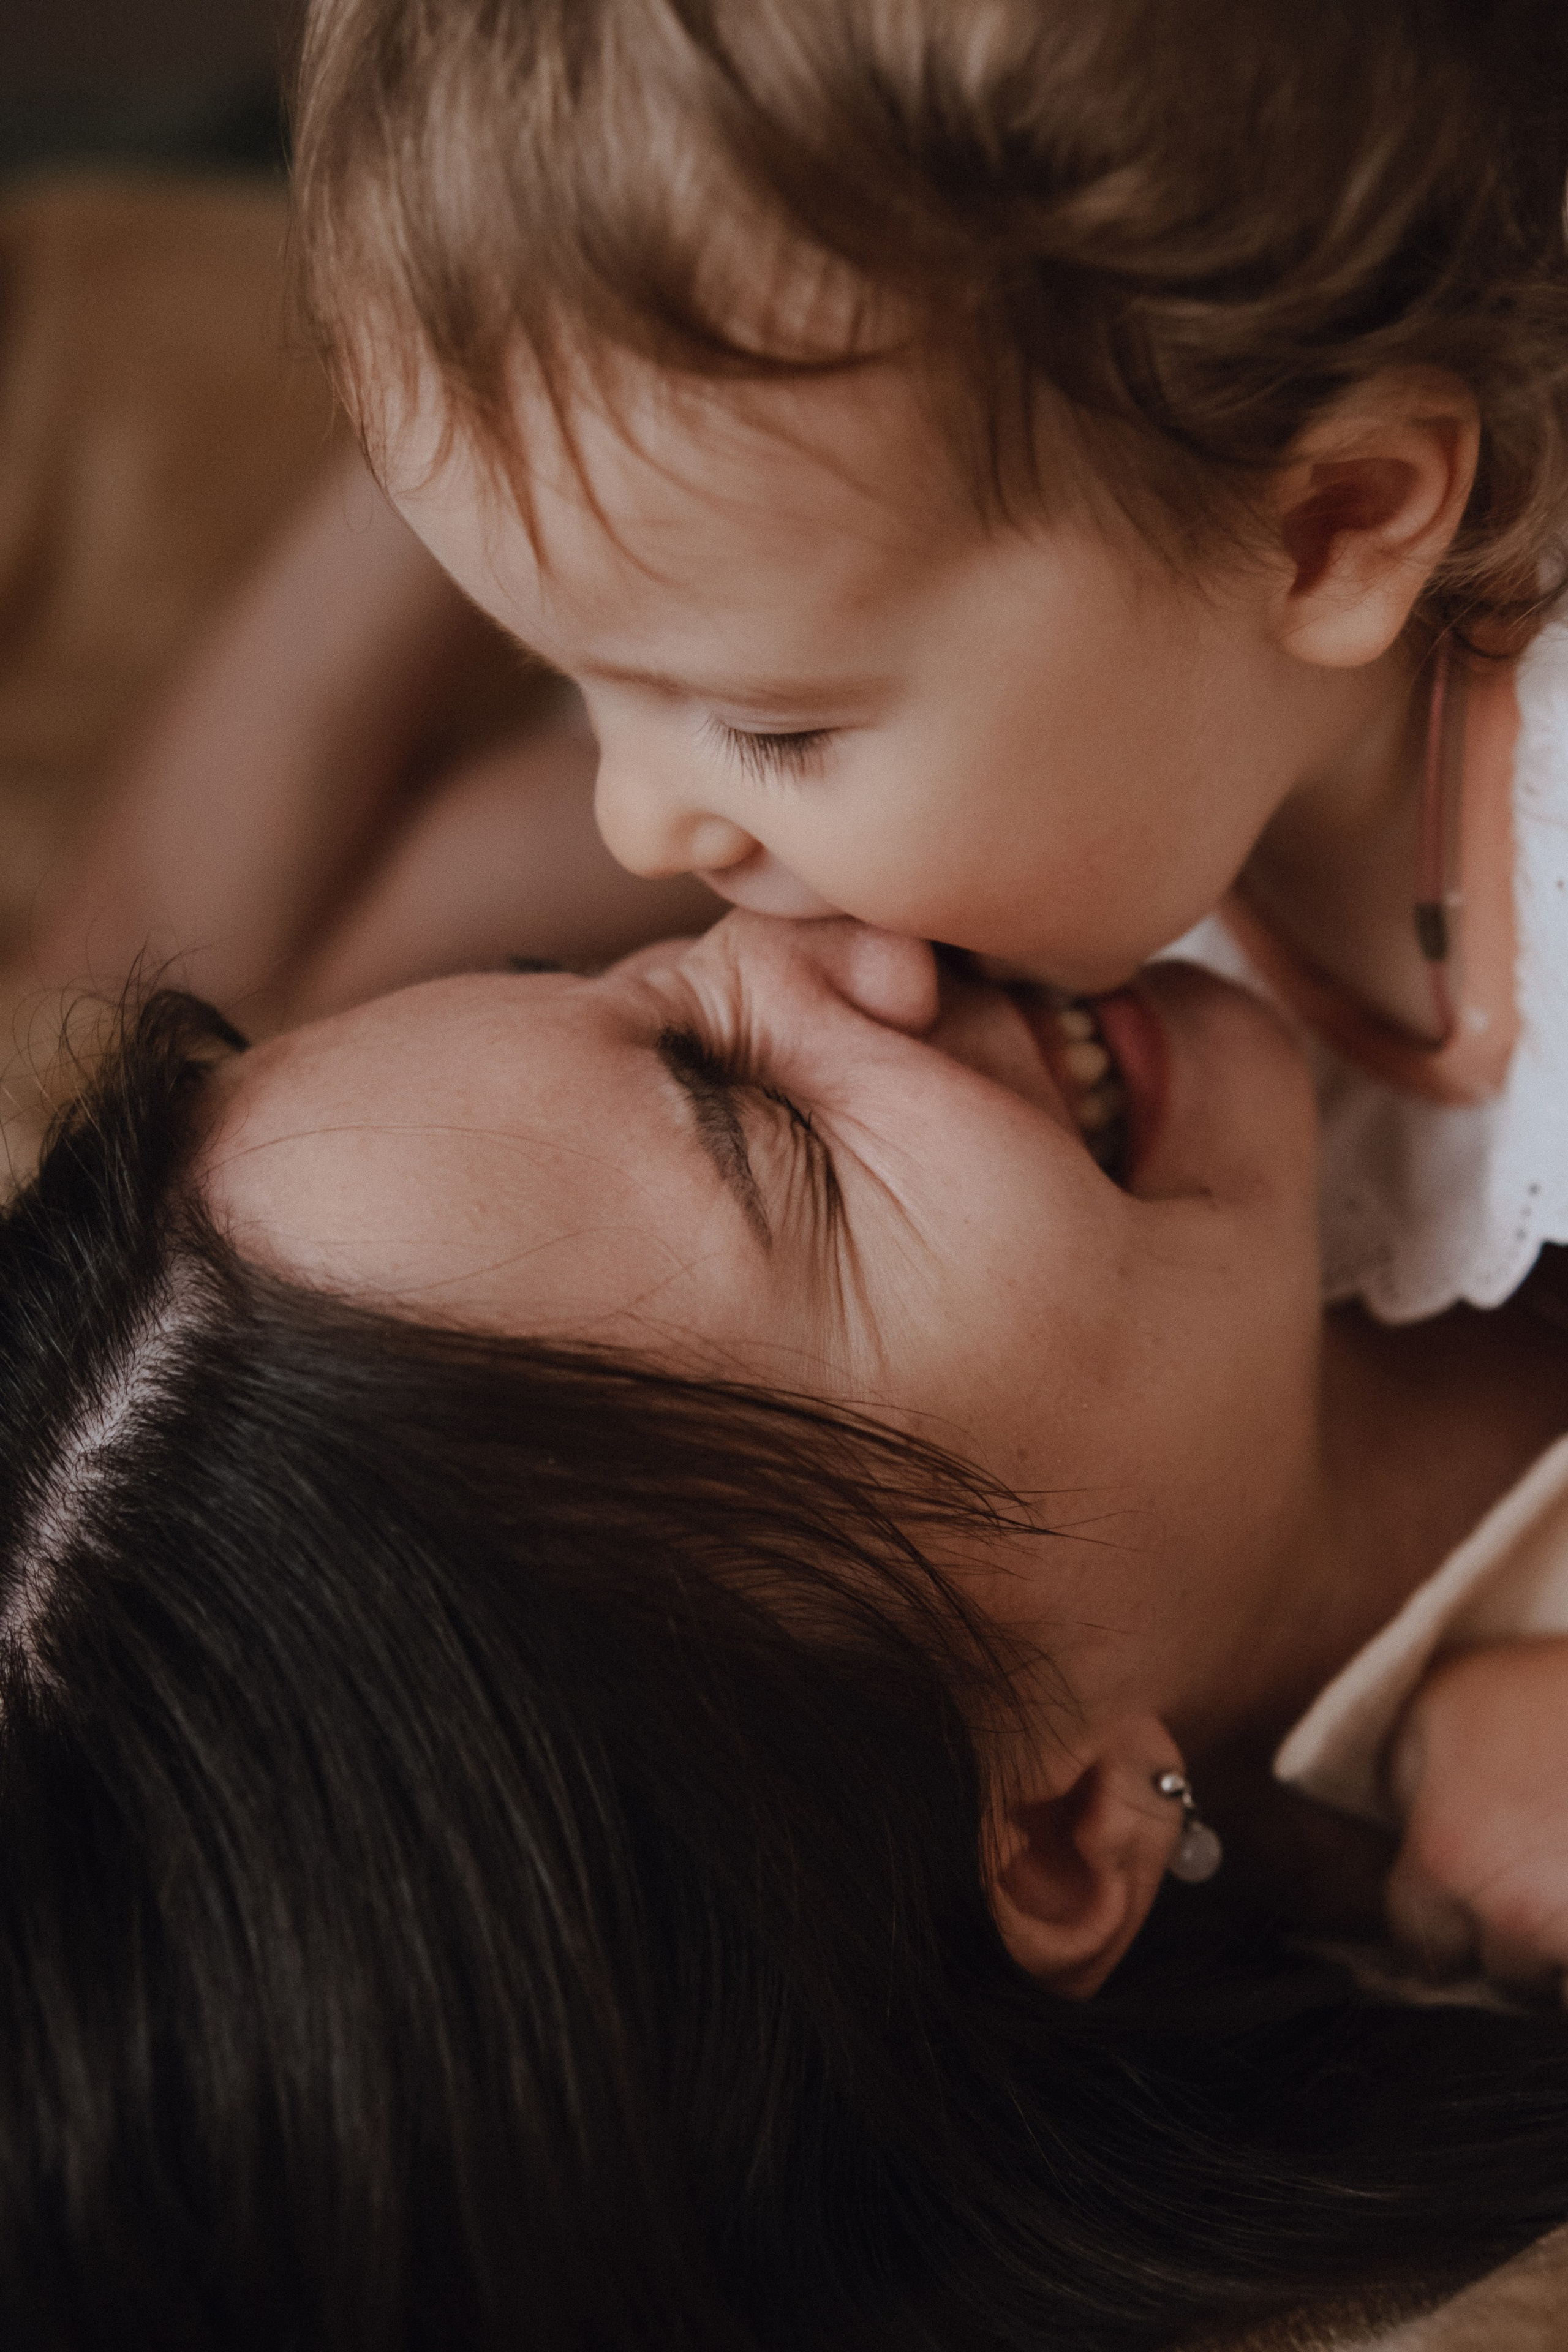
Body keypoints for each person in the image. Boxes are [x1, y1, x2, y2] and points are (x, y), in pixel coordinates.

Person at [7, 909, 1568, 2346]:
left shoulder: (1224, 858)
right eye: (768, 1134)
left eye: (582, 971)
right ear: (1045, 1835)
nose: (840, 930)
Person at [280, 0, 1568, 1329]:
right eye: (564, 669)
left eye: (773, 732)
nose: (634, 828)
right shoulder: (1129, 745)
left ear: (1325, 531)